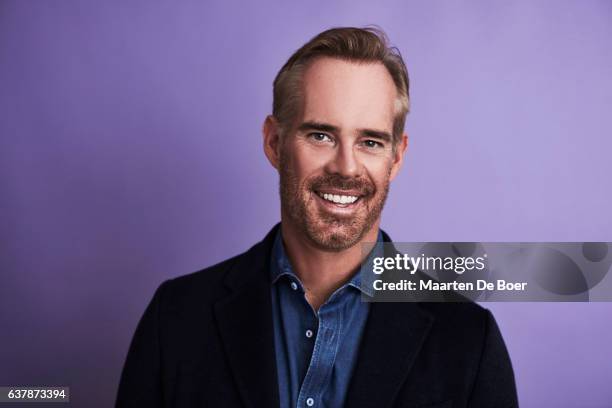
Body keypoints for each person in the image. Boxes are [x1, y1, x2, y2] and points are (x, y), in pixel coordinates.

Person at [116, 27, 518, 408]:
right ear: (274, 143)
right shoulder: (175, 319)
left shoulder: (468, 338)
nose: (346, 167)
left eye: (370, 141)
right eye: (321, 135)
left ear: (396, 158)